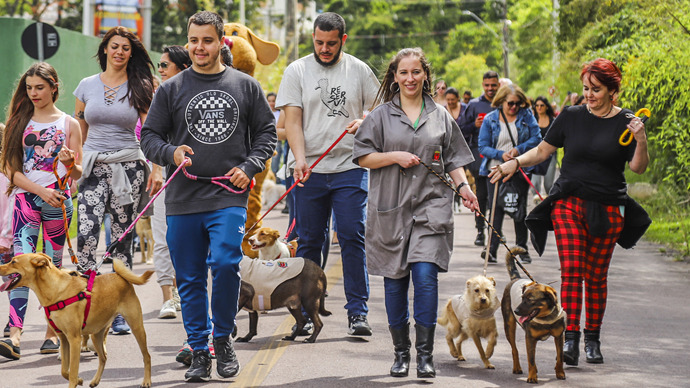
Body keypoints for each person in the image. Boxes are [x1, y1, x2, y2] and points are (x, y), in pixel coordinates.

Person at [140, 11, 276, 382]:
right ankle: (199, 349)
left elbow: (267, 134)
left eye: (207, 40)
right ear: (189, 43)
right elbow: (149, 137)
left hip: (228, 198)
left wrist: (248, 167)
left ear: (220, 43)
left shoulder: (245, 86)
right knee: (190, 277)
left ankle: (223, 338)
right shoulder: (171, 89)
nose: (200, 47)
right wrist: (172, 154)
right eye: (194, 40)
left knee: (226, 263)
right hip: (183, 199)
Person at [489, 58, 650, 366]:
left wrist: (641, 139)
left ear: (613, 91)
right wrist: (514, 163)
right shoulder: (571, 116)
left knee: (597, 276)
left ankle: (593, 338)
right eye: (585, 88)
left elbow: (638, 167)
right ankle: (571, 339)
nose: (588, 95)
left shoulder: (627, 122)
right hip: (568, 204)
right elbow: (542, 151)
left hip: (608, 208)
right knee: (573, 272)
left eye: (596, 89)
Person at [353, 47, 478, 378]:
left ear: (426, 75)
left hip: (431, 208)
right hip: (390, 210)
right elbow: (364, 157)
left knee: (425, 278)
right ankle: (400, 354)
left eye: (416, 72)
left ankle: (425, 356)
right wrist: (394, 156)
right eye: (404, 73)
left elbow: (453, 159)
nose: (410, 78)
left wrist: (464, 189)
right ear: (395, 77)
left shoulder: (440, 115)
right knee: (395, 283)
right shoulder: (379, 116)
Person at [275, 12, 379, 336]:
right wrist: (300, 159)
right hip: (310, 168)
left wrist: (365, 122)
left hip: (350, 166)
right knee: (309, 241)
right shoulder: (297, 70)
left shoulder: (359, 70)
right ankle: (305, 313)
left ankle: (358, 312)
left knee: (351, 234)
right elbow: (291, 121)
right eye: (319, 42)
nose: (324, 48)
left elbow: (381, 109)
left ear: (343, 40)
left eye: (331, 44)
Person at [74, 26, 161, 335]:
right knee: (86, 235)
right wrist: (74, 167)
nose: (120, 51)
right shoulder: (86, 86)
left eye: (126, 47)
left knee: (121, 240)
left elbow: (150, 132)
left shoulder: (140, 86)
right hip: (94, 168)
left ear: (131, 52)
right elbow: (80, 133)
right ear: (105, 50)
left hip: (129, 169)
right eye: (115, 46)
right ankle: (85, 304)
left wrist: (157, 168)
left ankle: (120, 309)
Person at [0, 63, 83, 360]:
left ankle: (52, 332)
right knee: (19, 267)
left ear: (54, 88)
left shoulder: (69, 124)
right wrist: (40, 191)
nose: (33, 93)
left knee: (52, 267)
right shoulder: (18, 123)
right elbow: (10, 170)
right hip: (27, 200)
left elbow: (77, 174)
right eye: (29, 88)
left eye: (40, 87)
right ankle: (14, 334)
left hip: (59, 206)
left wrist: (70, 163)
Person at [478, 84, 540, 263]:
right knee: (495, 210)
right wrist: (500, 154)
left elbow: (537, 138)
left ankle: (522, 249)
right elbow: (483, 146)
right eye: (511, 103)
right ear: (501, 101)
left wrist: (518, 150)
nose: (514, 107)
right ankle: (492, 249)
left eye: (518, 104)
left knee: (518, 210)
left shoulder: (526, 116)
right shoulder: (490, 119)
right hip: (495, 170)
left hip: (518, 168)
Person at [153, 45, 191, 320]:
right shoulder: (158, 95)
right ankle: (168, 296)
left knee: (190, 240)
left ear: (182, 67)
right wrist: (156, 170)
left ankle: (187, 292)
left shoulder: (196, 94)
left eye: (165, 65)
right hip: (163, 175)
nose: (161, 70)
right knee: (161, 237)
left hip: (196, 179)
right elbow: (152, 137)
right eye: (160, 65)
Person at [460, 71, 499, 247]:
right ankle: (480, 231)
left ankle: (496, 232)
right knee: (482, 196)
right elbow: (460, 128)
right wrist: (473, 125)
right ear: (483, 85)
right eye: (487, 85)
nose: (490, 89)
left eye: (493, 85)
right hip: (479, 156)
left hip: (500, 157)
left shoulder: (504, 103)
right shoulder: (474, 105)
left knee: (496, 198)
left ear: (498, 85)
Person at [530, 96, 557, 199]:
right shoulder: (532, 120)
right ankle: (538, 205)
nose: (539, 108)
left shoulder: (553, 121)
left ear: (546, 107)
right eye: (537, 105)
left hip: (550, 155)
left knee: (548, 184)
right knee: (534, 185)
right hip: (535, 154)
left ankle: (549, 203)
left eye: (542, 105)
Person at [266, 92, 284, 180]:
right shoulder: (263, 113)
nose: (271, 103)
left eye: (273, 101)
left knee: (275, 167)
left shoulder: (281, 114)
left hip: (277, 143)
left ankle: (275, 184)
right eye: (269, 101)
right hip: (265, 142)